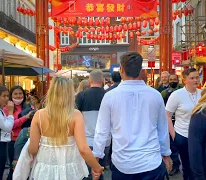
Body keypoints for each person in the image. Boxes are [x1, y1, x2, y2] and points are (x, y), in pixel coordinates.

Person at [93, 52, 171, 180]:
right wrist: (166, 154)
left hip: (123, 163)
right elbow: (162, 129)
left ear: (121, 70)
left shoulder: (110, 96)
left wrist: (96, 158)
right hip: (151, 162)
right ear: (140, 70)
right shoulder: (155, 95)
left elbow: (102, 131)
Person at [29, 77, 103, 180]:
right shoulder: (75, 115)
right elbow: (83, 149)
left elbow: (32, 149)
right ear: (70, 93)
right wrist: (97, 167)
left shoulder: (39, 115)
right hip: (69, 171)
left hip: (44, 171)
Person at [166, 68, 201, 180]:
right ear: (184, 80)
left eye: (197, 77)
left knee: (200, 165)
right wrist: (174, 136)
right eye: (192, 78)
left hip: (200, 136)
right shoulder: (177, 95)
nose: (195, 80)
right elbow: (167, 115)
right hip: (183, 135)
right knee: (187, 166)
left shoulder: (202, 93)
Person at [75, 70, 110, 180]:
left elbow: (74, 117)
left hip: (86, 141)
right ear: (102, 81)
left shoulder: (81, 96)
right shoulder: (108, 96)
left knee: (87, 173)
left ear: (89, 81)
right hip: (106, 141)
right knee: (101, 170)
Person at [3, 86, 33, 180]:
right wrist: (25, 117)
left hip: (27, 141)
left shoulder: (28, 106)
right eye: (15, 94)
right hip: (13, 142)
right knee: (14, 168)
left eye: (20, 93)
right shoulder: (7, 109)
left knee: (26, 169)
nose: (18, 96)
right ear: (11, 95)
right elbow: (10, 125)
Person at [161, 74, 183, 176]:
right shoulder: (164, 93)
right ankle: (175, 165)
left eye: (174, 79)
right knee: (172, 145)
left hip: (182, 121)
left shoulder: (183, 90)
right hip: (170, 122)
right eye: (171, 79)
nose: (172, 81)